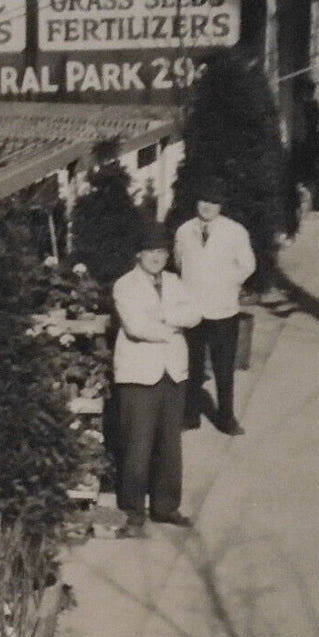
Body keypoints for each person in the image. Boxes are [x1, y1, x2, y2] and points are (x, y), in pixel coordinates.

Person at [112, 220, 200, 535]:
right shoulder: (125, 285)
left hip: (173, 371)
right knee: (137, 443)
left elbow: (194, 314)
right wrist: (171, 330)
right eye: (150, 251)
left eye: (161, 251)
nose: (156, 257)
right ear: (138, 253)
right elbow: (135, 326)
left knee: (169, 443)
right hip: (139, 373)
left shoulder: (176, 282)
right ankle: (134, 511)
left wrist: (164, 316)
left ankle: (166, 507)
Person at [174, 177, 255, 435]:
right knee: (192, 365)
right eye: (203, 200)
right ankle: (191, 416)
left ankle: (227, 418)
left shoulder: (235, 231)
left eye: (213, 201)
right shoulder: (184, 231)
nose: (207, 205)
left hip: (223, 310)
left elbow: (247, 265)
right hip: (193, 311)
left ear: (221, 205)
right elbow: (179, 263)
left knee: (223, 367)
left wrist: (225, 284)